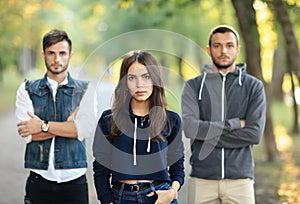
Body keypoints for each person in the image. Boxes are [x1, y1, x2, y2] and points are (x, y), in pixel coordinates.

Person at [181, 25, 266, 204]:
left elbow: (254, 134)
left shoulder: (253, 87)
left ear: (237, 49)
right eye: (217, 46)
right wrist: (234, 124)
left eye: (229, 45)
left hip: (240, 181)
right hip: (202, 180)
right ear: (209, 49)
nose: (223, 51)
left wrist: (206, 134)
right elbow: (190, 129)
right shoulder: (193, 86)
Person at [15, 29, 97, 204]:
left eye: (62, 53)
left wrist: (43, 126)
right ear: (43, 55)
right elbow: (28, 134)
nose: (57, 59)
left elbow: (83, 130)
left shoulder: (86, 90)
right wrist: (67, 127)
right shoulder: (27, 89)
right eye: (51, 53)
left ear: (70, 55)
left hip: (75, 182)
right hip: (39, 180)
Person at [92, 50, 185, 204]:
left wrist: (172, 192)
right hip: (121, 197)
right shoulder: (109, 119)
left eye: (146, 77)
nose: (139, 84)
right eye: (132, 78)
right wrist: (107, 200)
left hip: (159, 196)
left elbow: (177, 166)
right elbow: (100, 167)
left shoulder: (171, 120)